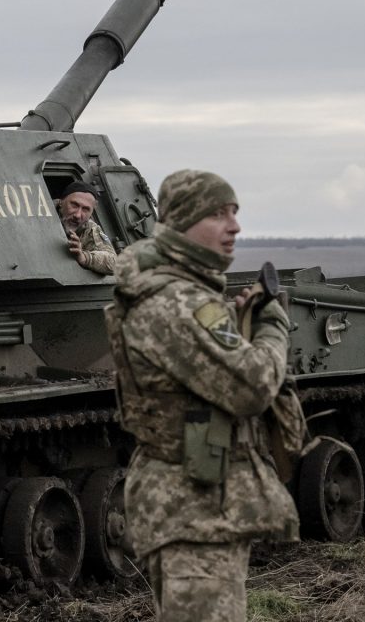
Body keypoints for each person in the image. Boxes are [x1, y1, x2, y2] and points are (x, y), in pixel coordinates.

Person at [104, 169, 299, 622]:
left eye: (235, 213)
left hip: (196, 507)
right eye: (218, 214)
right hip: (194, 511)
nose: (234, 226)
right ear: (182, 223)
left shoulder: (177, 293)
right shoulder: (177, 302)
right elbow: (252, 387)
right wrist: (272, 327)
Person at [56, 181, 117, 275]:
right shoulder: (41, 212)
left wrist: (84, 257)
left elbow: (114, 263)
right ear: (61, 202)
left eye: (85, 209)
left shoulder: (89, 227)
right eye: (74, 205)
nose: (78, 215)